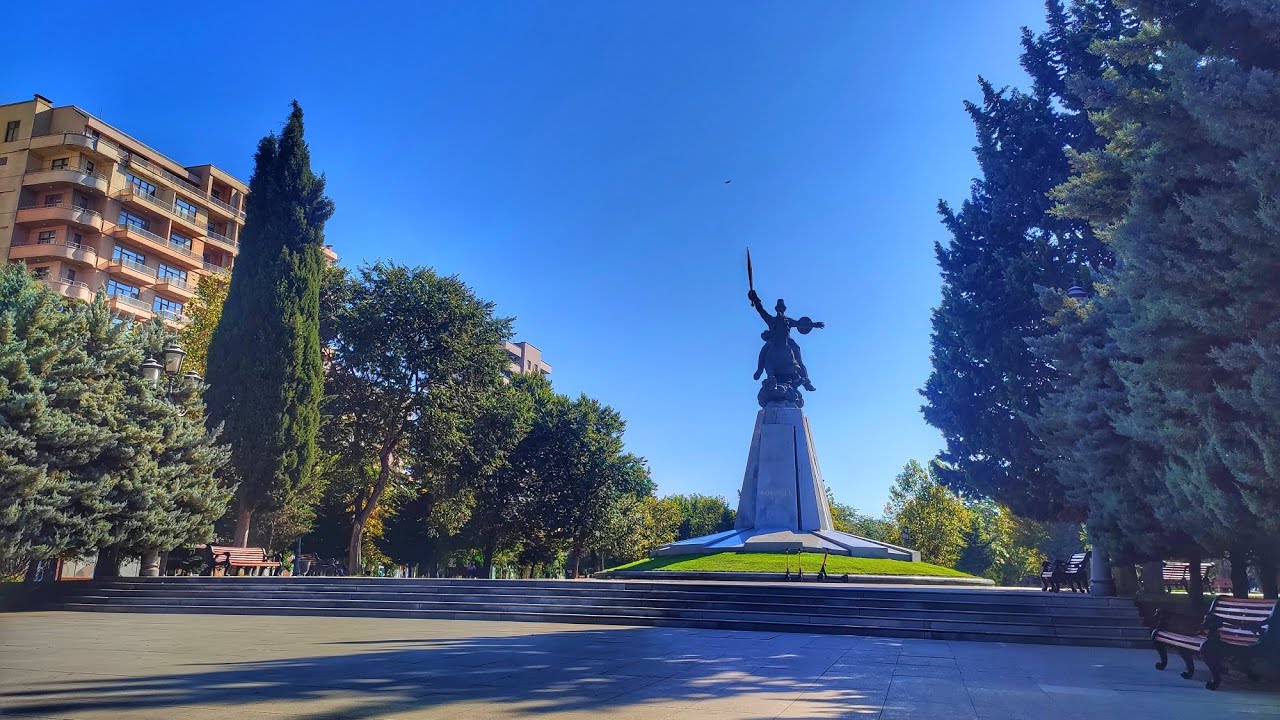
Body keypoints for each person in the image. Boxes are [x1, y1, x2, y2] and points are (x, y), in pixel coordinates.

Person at [748, 289, 824, 391]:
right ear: (776, 309)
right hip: (773, 340)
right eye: (779, 308)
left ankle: (807, 382)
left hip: (788, 340)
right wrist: (755, 299)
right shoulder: (771, 319)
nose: (780, 309)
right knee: (765, 349)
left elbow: (800, 324)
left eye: (782, 308)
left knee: (798, 357)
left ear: (784, 309)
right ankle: (759, 369)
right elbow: (761, 311)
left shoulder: (788, 320)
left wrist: (813, 324)